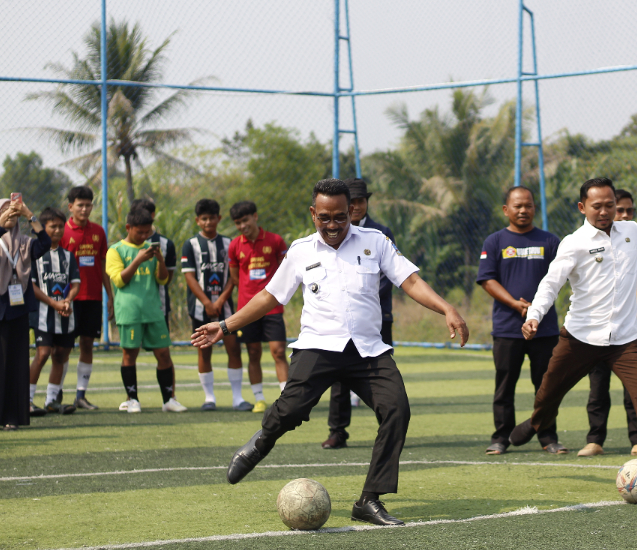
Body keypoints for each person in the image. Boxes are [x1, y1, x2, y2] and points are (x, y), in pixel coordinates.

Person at [192, 178, 469, 527]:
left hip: (369, 350)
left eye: (341, 216)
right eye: (325, 217)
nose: (334, 224)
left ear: (350, 211)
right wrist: (226, 325)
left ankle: (369, 500)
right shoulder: (300, 250)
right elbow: (270, 296)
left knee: (397, 409)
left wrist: (447, 308)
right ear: (313, 213)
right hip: (317, 347)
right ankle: (261, 442)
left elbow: (409, 280)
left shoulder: (375, 242)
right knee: (290, 410)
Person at [509, 177, 637, 488]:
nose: (605, 211)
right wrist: (535, 316)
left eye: (611, 205)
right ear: (583, 207)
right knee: (550, 389)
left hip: (624, 340)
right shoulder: (574, 242)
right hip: (579, 338)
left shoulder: (633, 233)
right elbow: (551, 284)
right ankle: (537, 422)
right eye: (598, 206)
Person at [476, 186, 562, 455]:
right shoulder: (495, 241)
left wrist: (538, 308)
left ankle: (548, 437)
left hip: (544, 328)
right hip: (507, 328)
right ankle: (501, 437)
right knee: (505, 386)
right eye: (517, 206)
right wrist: (514, 304)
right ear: (506, 210)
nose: (523, 210)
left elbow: (561, 278)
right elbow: (487, 280)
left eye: (528, 205)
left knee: (546, 386)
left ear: (535, 208)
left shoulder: (550, 241)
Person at [581, 188, 637, 457]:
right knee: (597, 388)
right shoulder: (587, 243)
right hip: (596, 330)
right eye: (621, 210)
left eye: (628, 210)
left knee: (634, 390)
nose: (623, 215)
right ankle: (595, 439)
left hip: (629, 330)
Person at [321, 177, 397, 449]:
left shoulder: (381, 233)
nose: (355, 207)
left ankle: (387, 430)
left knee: (381, 376)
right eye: (350, 202)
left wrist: (363, 295)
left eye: (360, 201)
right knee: (339, 377)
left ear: (366, 203)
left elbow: (391, 274)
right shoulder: (332, 232)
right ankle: (337, 431)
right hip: (340, 322)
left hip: (376, 319)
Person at [106, 207, 187, 414]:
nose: (144, 236)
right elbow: (119, 280)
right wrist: (138, 260)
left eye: (147, 232)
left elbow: (162, 279)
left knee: (163, 354)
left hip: (153, 311)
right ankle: (133, 399)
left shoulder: (151, 249)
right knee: (129, 354)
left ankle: (168, 399)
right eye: (139, 232)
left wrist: (159, 259)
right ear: (128, 228)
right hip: (129, 312)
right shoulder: (115, 250)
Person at [181, 198, 252, 411]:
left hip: (225, 308)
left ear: (219, 218)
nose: (208, 222)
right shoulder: (190, 244)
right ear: (197, 221)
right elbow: (190, 277)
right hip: (201, 307)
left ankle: (237, 398)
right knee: (204, 351)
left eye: (212, 218)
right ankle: (209, 398)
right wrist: (206, 301)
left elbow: (234, 275)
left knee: (234, 349)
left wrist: (221, 300)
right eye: (204, 219)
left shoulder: (230, 243)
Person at [0, 196, 51, 430]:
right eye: (5, 211)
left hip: (17, 313)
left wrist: (29, 214)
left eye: (13, 212)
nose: (11, 215)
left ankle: (11, 418)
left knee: (15, 365)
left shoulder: (26, 243)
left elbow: (46, 243)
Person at [227, 200, 289, 413]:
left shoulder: (275, 240)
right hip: (247, 308)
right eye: (237, 223)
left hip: (272, 306)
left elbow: (284, 271)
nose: (242, 226)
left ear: (255, 216)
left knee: (278, 351)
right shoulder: (235, 245)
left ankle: (286, 398)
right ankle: (260, 399)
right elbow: (235, 277)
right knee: (253, 353)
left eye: (245, 220)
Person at [61, 185, 114, 410]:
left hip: (92, 297)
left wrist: (109, 295)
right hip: (69, 299)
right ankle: (55, 396)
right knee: (63, 348)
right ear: (70, 206)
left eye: (88, 205)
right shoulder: (61, 231)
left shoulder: (99, 232)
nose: (84, 209)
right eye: (79, 205)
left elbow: (102, 264)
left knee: (87, 344)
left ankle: (80, 396)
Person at [28, 207, 81, 416]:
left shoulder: (68, 256)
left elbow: (75, 283)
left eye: (61, 226)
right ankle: (27, 400)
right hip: (43, 316)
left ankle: (52, 400)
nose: (58, 230)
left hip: (66, 315)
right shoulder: (34, 254)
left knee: (61, 356)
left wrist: (67, 301)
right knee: (42, 354)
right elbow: (32, 287)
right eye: (53, 226)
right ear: (43, 228)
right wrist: (53, 303)